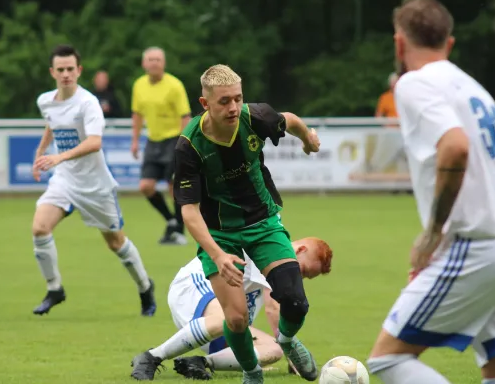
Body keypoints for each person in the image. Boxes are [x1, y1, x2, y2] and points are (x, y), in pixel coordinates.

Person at [366, 0, 495, 384]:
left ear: (399, 43)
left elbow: (456, 146)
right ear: (450, 43)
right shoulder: (474, 88)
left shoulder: (414, 83)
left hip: (475, 246)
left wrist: (433, 232)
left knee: (387, 359)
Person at [174, 64, 321, 384]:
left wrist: (307, 138)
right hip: (219, 234)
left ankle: (286, 342)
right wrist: (217, 255)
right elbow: (189, 212)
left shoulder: (256, 117)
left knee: (295, 301)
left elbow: (291, 120)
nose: (233, 107)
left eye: (238, 99)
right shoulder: (190, 146)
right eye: (224, 101)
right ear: (205, 104)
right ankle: (252, 373)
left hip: (263, 221)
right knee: (237, 319)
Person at [31, 44, 157, 317]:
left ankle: (145, 287)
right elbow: (52, 124)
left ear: (79, 71)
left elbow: (94, 142)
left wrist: (58, 157)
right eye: (60, 69)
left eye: (70, 69)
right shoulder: (45, 101)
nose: (66, 74)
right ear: (52, 72)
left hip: (95, 185)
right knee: (40, 228)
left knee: (115, 243)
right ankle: (55, 289)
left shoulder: (88, 103)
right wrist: (41, 152)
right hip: (64, 180)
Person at [130, 237, 333, 381]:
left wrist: (286, 352)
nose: (300, 278)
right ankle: (152, 357)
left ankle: (200, 362)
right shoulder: (274, 251)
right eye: (303, 271)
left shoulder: (278, 260)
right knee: (226, 319)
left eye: (306, 277)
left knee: (272, 349)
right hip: (196, 285)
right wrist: (294, 354)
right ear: (300, 250)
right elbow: (274, 309)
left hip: (215, 314)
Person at [131, 47, 192, 245]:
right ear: (144, 63)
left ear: (163, 63)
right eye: (151, 59)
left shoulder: (175, 85)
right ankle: (171, 220)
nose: (154, 63)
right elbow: (137, 114)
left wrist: (184, 144)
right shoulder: (139, 85)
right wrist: (135, 140)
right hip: (153, 141)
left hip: (174, 140)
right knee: (146, 186)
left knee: (174, 185)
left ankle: (180, 231)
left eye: (158, 59)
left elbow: (185, 116)